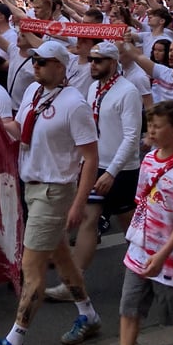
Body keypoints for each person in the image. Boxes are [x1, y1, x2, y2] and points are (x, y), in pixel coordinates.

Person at [0, 41, 101, 345]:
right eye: (34, 61)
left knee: (30, 267)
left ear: (60, 65)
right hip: (33, 186)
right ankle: (88, 315)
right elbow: (21, 130)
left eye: (43, 62)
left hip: (54, 191)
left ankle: (15, 340)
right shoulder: (33, 91)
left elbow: (90, 157)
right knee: (61, 257)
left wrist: (79, 202)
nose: (36, 66)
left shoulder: (75, 105)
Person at [47, 41, 142, 302]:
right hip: (97, 165)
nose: (93, 65)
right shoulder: (93, 88)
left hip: (122, 169)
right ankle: (73, 284)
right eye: (91, 60)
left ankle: (145, 270)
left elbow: (132, 137)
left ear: (113, 62)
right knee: (89, 219)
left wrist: (112, 171)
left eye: (98, 61)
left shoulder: (128, 91)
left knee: (130, 225)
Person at [112, 101, 173, 345]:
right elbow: (141, 201)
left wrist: (162, 255)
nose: (151, 131)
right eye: (150, 125)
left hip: (171, 256)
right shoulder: (148, 160)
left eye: (158, 126)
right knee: (129, 307)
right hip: (140, 250)